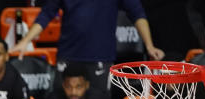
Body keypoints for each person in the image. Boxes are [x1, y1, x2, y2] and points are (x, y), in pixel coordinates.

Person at [10, 0, 164, 93]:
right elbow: (46, 14)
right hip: (68, 56)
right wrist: (25, 41)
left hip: (100, 58)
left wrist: (149, 46)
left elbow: (138, 14)